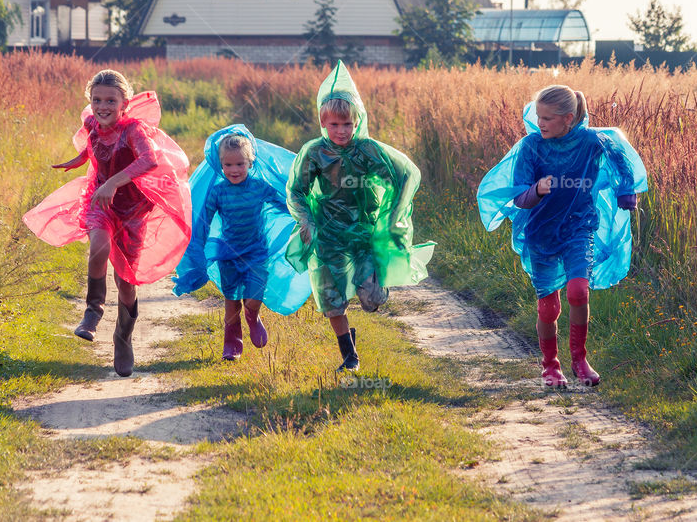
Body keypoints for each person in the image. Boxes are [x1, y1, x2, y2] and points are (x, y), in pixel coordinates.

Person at [23, 69, 191, 377]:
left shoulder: (135, 130)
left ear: (124, 103)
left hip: (133, 210)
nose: (103, 106)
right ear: (91, 101)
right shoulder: (91, 124)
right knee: (98, 246)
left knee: (126, 282)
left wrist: (114, 181)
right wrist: (80, 160)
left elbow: (149, 161)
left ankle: (123, 337)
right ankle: (93, 310)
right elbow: (94, 145)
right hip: (100, 203)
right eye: (97, 99)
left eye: (110, 100)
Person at [477, 85, 647, 387]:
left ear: (568, 118)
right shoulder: (531, 146)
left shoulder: (592, 141)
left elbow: (620, 154)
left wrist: (626, 192)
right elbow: (519, 197)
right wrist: (537, 190)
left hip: (578, 228)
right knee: (549, 306)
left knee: (578, 291)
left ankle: (580, 360)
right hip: (540, 233)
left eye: (547, 118)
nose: (539, 123)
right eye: (538, 116)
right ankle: (550, 366)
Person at [286, 61, 434, 372]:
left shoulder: (368, 151)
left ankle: (377, 292)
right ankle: (349, 357)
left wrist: (393, 216)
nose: (341, 131)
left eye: (347, 124)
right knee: (331, 301)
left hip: (363, 235)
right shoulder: (314, 153)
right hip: (328, 235)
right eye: (334, 125)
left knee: (371, 297)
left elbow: (406, 173)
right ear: (323, 123)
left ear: (357, 122)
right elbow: (296, 192)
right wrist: (307, 221)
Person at [172, 124, 312, 360]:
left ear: (250, 162)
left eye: (239, 164)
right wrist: (197, 247)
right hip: (228, 253)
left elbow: (283, 202)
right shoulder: (218, 192)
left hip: (257, 252)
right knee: (232, 299)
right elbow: (203, 221)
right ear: (220, 165)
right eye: (228, 165)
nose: (234, 169)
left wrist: (304, 216)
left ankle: (253, 315)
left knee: (254, 295)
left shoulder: (259, 187)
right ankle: (232, 341)